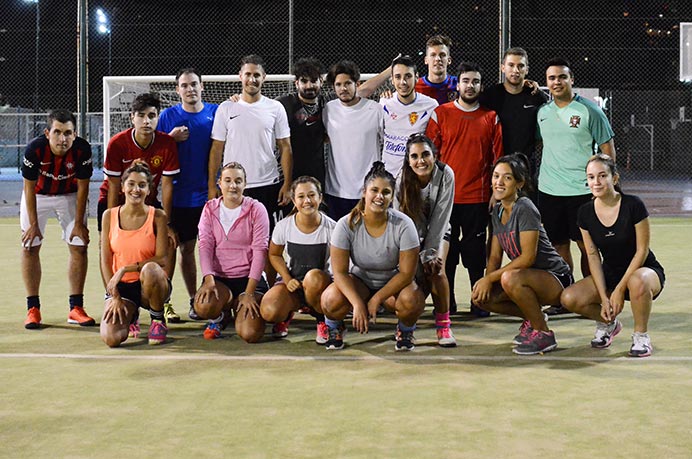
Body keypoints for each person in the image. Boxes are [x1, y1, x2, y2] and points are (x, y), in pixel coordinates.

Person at [561, 154, 664, 357]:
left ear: (614, 178)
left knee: (638, 281)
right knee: (569, 298)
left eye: (602, 176)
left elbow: (641, 250)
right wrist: (603, 297)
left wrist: (618, 290)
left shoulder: (633, 205)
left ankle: (641, 336)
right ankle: (609, 323)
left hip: (644, 270)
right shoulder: (585, 212)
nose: (596, 182)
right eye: (591, 177)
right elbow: (592, 256)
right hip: (611, 272)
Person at [536, 58, 617, 314]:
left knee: (587, 248)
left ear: (572, 80)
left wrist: (608, 185)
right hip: (550, 191)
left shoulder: (590, 111)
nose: (557, 82)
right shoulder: (543, 112)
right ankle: (564, 297)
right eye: (552, 78)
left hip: (583, 192)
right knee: (558, 246)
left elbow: (607, 149)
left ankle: (593, 294)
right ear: (546, 83)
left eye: (562, 77)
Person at [472, 154, 573, 355]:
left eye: (507, 178)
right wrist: (486, 282)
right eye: (495, 176)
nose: (499, 182)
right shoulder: (497, 211)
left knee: (510, 278)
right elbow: (494, 257)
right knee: (481, 298)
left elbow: (528, 258)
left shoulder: (525, 208)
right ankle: (535, 319)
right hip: (526, 278)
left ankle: (544, 335)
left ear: (519, 183)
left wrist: (492, 278)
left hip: (555, 277)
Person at [425, 61, 503, 315]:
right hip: (446, 200)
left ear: (481, 86)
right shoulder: (441, 113)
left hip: (477, 199)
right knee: (446, 252)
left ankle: (478, 300)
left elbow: (497, 160)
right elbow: (430, 158)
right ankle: (447, 301)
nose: (470, 86)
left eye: (476, 82)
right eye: (466, 81)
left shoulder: (490, 118)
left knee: (474, 252)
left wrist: (495, 194)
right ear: (457, 84)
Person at [321, 162, 424, 351]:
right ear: (364, 192)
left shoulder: (404, 225)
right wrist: (357, 303)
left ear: (392, 196)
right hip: (360, 280)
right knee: (330, 300)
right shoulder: (346, 224)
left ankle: (405, 330)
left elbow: (406, 274)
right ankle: (334, 327)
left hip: (393, 284)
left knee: (412, 300)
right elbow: (340, 273)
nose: (379, 196)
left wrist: (376, 299)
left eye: (386, 192)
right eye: (374, 190)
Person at [97, 93, 180, 321]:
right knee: (111, 248)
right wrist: (113, 223)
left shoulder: (166, 143)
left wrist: (168, 224)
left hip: (149, 199)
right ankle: (116, 294)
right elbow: (114, 186)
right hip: (115, 201)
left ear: (157, 118)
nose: (146, 121)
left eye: (151, 116)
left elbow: (167, 186)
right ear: (132, 118)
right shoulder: (117, 143)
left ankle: (162, 299)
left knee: (169, 244)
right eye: (141, 116)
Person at [21, 109, 95, 329]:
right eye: (57, 132)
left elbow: (83, 188)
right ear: (47, 133)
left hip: (69, 195)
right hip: (38, 196)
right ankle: (33, 309)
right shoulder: (34, 150)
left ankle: (76, 308)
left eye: (68, 133)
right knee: (30, 246)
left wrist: (80, 223)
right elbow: (29, 188)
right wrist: (33, 225)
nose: (63, 139)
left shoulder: (82, 150)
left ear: (75, 134)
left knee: (80, 245)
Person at [158, 68, 218, 321]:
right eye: (184, 85)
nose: (190, 89)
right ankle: (164, 303)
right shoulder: (168, 116)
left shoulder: (215, 113)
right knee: (174, 250)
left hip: (208, 196)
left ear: (202, 86)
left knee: (202, 250)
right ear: (177, 90)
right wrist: (170, 139)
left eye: (194, 84)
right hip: (177, 197)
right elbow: (156, 148)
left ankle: (201, 300)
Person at [208, 54, 292, 230]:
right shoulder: (226, 108)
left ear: (264, 78)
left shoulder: (275, 108)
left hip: (268, 184)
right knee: (236, 241)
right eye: (248, 74)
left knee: (267, 243)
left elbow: (285, 147)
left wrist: (287, 183)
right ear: (240, 76)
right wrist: (212, 185)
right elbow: (216, 149)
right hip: (234, 186)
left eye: (256, 75)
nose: (252, 79)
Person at [194, 162, 270, 342]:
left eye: (238, 181)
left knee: (250, 334)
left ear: (245, 184)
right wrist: (209, 279)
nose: (233, 186)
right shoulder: (209, 209)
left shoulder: (257, 209)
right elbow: (205, 245)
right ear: (219, 183)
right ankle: (220, 316)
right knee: (203, 306)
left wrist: (249, 293)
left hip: (249, 280)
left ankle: (241, 308)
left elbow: (260, 251)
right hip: (221, 279)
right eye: (227, 180)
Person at [100, 160, 171, 347]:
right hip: (123, 288)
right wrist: (114, 295)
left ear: (149, 190)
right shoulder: (109, 215)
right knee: (112, 338)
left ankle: (157, 320)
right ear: (122, 187)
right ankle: (132, 315)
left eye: (142, 185)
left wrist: (125, 268)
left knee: (150, 269)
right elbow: (105, 261)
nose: (136, 190)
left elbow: (162, 259)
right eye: (131, 184)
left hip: (152, 284)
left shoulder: (158, 216)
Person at [394, 134, 456, 347]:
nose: (420, 161)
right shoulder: (401, 179)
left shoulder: (446, 174)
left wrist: (429, 253)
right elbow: (400, 221)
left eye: (425, 155)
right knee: (410, 277)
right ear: (408, 160)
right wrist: (416, 252)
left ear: (434, 155)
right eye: (414, 156)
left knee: (436, 269)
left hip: (438, 234)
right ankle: (406, 326)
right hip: (408, 237)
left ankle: (443, 326)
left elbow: (441, 216)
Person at [260, 176, 336, 343]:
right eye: (301, 196)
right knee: (269, 311)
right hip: (293, 283)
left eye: (311, 195)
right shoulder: (283, 226)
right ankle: (286, 314)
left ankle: (322, 319)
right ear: (294, 200)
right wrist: (287, 279)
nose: (307, 201)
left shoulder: (333, 228)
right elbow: (274, 254)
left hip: (319, 285)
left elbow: (340, 263)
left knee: (314, 278)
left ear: (320, 198)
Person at [323, 60, 385, 220]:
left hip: (368, 190)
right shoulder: (329, 109)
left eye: (348, 83)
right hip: (336, 191)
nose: (343, 88)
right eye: (338, 84)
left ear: (357, 84)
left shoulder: (375, 109)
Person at [479, 47, 548, 183]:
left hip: (526, 168)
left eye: (520, 66)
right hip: (496, 168)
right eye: (511, 65)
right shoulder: (490, 96)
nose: (516, 70)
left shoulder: (536, 96)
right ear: (502, 68)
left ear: (527, 70)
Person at [380, 55, 438, 177]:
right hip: (389, 176)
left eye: (408, 76)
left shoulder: (431, 105)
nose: (403, 82)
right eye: (398, 77)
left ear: (416, 77)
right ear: (392, 80)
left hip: (416, 177)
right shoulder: (384, 103)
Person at [415, 34, 459, 104]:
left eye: (442, 55)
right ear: (426, 60)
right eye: (433, 55)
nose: (438, 59)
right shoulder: (415, 87)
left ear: (449, 60)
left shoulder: (459, 84)